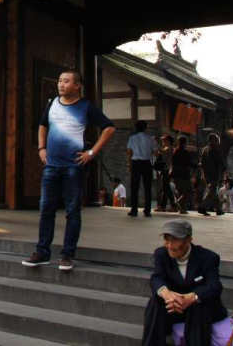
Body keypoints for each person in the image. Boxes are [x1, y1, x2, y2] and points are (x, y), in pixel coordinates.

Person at [22, 69, 115, 270]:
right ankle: (42, 251)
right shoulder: (52, 103)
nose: (61, 84)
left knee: (72, 211)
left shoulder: (85, 106)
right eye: (60, 81)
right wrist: (41, 148)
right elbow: (42, 125)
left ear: (77, 85)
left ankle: (67, 254)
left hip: (74, 166)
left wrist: (91, 152)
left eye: (66, 81)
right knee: (46, 209)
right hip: (51, 165)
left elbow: (109, 127)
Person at [142, 220, 230, 346]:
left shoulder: (208, 257)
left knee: (199, 305)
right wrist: (167, 294)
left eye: (174, 240)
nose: (169, 245)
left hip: (199, 311)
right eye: (167, 239)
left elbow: (214, 286)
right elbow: (156, 278)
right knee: (156, 301)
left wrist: (192, 297)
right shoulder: (161, 254)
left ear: (189, 240)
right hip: (174, 308)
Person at [127, 121, 157, 217]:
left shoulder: (132, 138)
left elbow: (129, 152)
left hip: (136, 163)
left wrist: (129, 164)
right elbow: (155, 152)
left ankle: (134, 210)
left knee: (134, 187)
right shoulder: (150, 139)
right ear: (145, 128)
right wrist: (149, 155)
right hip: (147, 163)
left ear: (136, 128)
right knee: (147, 187)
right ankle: (147, 210)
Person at [197, 134, 224, 216]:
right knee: (212, 191)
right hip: (213, 174)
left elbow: (201, 163)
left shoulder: (204, 149)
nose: (218, 141)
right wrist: (224, 171)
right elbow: (220, 162)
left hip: (206, 174)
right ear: (214, 140)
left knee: (213, 191)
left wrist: (202, 173)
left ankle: (219, 209)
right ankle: (202, 207)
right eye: (217, 140)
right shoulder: (215, 149)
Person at [171, 137, 194, 214]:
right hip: (184, 175)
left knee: (182, 192)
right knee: (188, 191)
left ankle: (182, 208)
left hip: (176, 175)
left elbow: (173, 163)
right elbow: (189, 163)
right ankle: (178, 203)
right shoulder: (185, 152)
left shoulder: (175, 151)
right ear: (185, 143)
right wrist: (197, 165)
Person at [156, 135, 176, 212]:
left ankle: (172, 206)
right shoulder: (168, 148)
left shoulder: (169, 148)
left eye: (164, 140)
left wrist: (155, 144)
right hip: (166, 170)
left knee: (166, 188)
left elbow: (162, 152)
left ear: (168, 141)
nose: (163, 142)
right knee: (166, 188)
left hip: (167, 170)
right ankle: (164, 206)